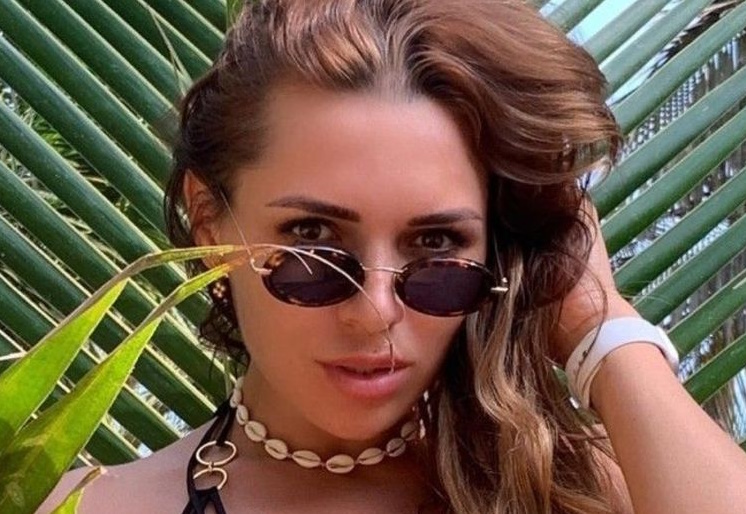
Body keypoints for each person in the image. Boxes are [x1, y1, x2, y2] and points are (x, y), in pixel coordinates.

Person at [41, 0, 746, 512]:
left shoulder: (589, 490)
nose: (374, 312)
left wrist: (603, 328)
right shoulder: (92, 507)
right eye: (313, 239)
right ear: (208, 221)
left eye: (437, 245)